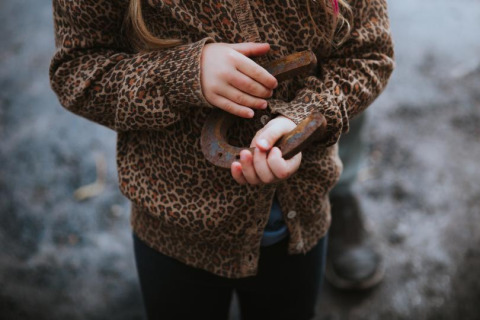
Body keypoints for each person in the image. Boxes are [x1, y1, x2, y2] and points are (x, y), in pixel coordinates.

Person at [50, 0, 394, 319]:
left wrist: (307, 117)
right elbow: (78, 72)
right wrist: (185, 73)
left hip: (300, 221)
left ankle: (344, 199)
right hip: (176, 235)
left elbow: (369, 54)